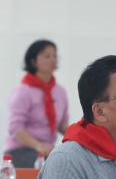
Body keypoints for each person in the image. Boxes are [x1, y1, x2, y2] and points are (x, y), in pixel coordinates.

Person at [5, 40, 70, 168]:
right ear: (33, 61)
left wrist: (79, 138)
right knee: (54, 166)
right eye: (47, 56)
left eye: (54, 56)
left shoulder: (59, 91)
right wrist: (38, 146)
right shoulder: (23, 91)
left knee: (72, 162)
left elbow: (62, 124)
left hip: (47, 150)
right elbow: (15, 128)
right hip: (21, 150)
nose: (52, 60)